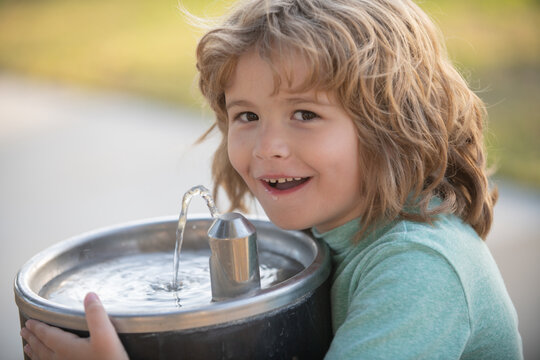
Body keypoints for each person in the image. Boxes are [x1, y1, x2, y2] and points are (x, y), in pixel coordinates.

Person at [20, 0, 523, 359]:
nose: (266, 147)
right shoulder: (324, 228)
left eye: (304, 114)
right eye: (247, 116)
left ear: (391, 128)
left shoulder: (419, 270)